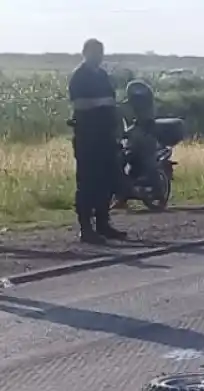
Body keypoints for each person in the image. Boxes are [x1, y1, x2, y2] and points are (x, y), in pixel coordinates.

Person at [67, 38, 127, 244]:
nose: (98, 56)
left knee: (106, 181)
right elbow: (79, 103)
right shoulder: (79, 76)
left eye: (100, 52)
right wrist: (103, 103)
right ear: (85, 53)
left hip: (106, 135)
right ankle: (86, 229)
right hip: (87, 136)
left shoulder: (103, 76)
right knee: (87, 183)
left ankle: (103, 223)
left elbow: (112, 102)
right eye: (94, 52)